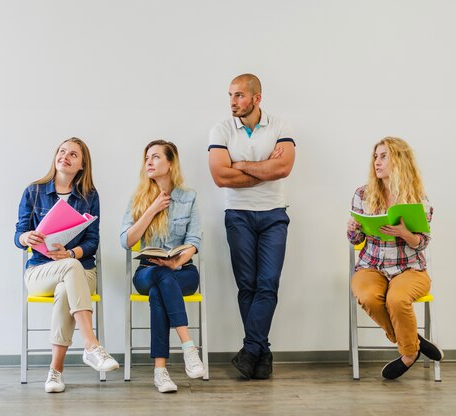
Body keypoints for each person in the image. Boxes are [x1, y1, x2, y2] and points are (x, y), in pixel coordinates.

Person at [208, 74, 296, 380]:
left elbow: (283, 168)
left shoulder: (279, 126)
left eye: (239, 96)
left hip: (273, 214)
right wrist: (263, 169)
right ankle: (261, 351)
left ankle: (251, 350)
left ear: (257, 98)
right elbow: (220, 177)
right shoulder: (221, 129)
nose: (232, 102)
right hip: (238, 214)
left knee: (267, 283)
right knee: (247, 285)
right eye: (230, 95)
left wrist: (240, 165)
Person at [15, 137, 118, 393]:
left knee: (67, 282)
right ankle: (92, 345)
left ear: (82, 165)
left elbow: (93, 241)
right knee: (71, 268)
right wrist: (26, 237)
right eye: (62, 151)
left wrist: (71, 252)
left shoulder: (89, 196)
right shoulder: (33, 191)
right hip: (40, 271)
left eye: (73, 154)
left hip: (82, 273)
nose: (65, 156)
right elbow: (18, 236)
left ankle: (55, 372)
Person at [347, 136, 444, 379]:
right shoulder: (363, 194)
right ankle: (413, 342)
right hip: (371, 266)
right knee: (368, 295)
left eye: (383, 157)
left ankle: (408, 354)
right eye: (375, 157)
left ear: (399, 161)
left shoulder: (417, 199)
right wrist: (353, 227)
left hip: (411, 269)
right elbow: (355, 240)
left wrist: (405, 233)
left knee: (397, 299)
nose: (376, 162)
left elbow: (422, 243)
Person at [120, 140, 205, 393]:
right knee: (160, 276)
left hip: (182, 271)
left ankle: (160, 371)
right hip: (147, 271)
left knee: (161, 288)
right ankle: (189, 347)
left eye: (156, 157)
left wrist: (177, 260)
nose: (149, 161)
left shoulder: (188, 197)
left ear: (170, 163)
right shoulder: (138, 199)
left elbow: (194, 240)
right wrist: (152, 209)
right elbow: (126, 241)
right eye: (147, 157)